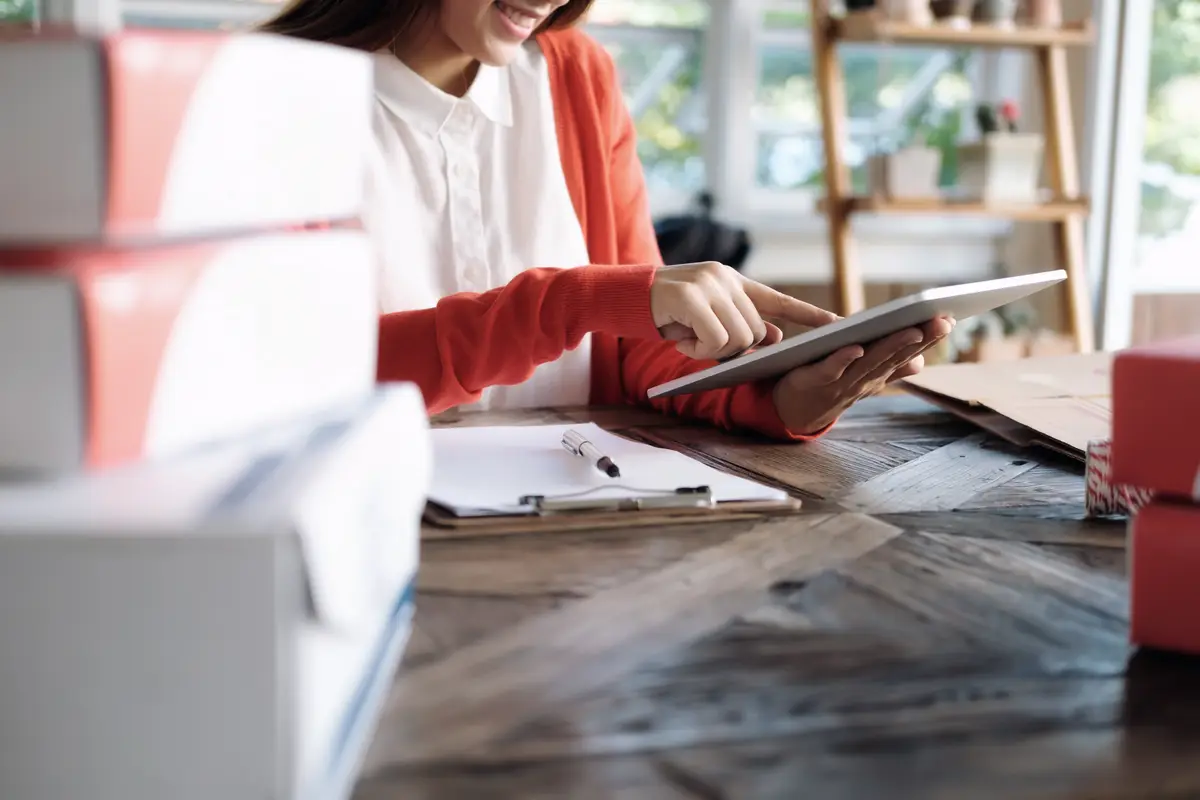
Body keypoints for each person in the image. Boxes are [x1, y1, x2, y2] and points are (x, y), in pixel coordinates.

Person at [258, 0, 952, 440]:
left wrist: (776, 400)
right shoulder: (268, 94)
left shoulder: (577, 77)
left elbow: (633, 355)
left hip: (577, 528)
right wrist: (563, 304)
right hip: (362, 539)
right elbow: (303, 387)